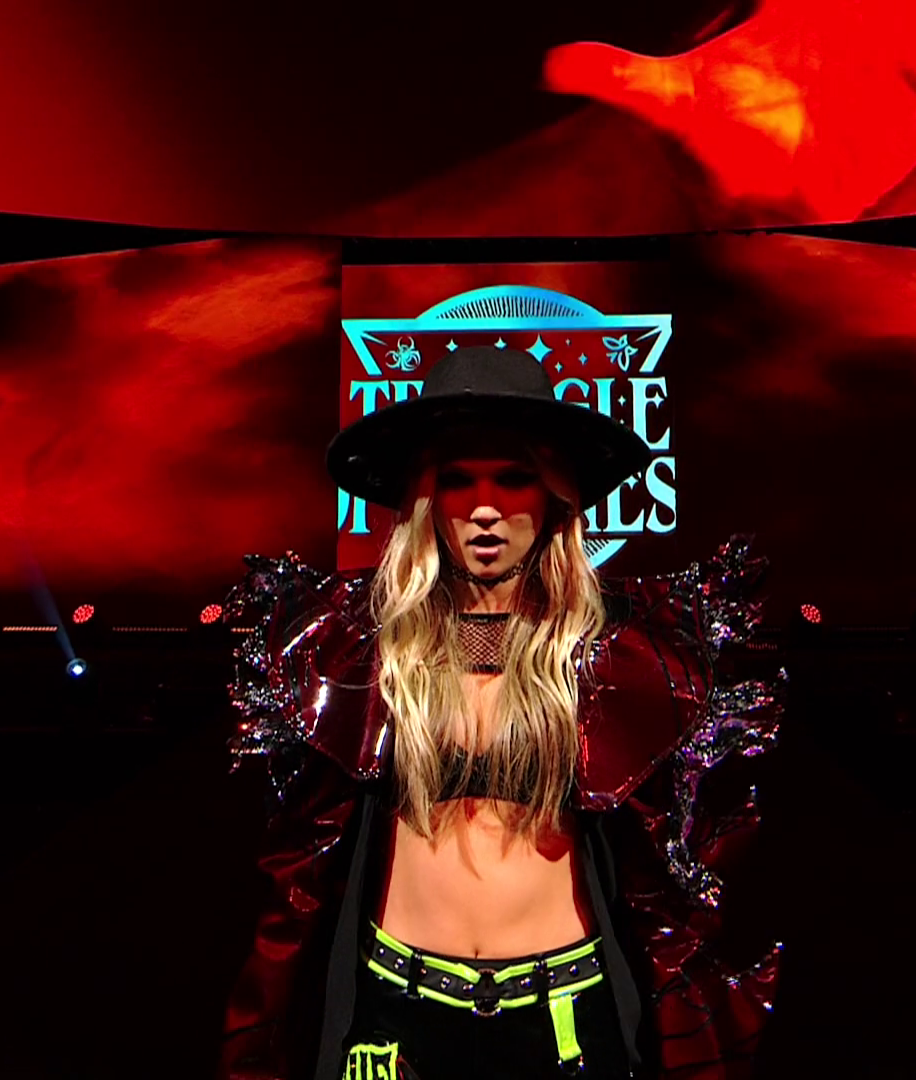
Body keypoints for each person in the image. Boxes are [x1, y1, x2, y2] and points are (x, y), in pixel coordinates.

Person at [219, 347, 782, 1079]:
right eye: (458, 480)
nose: (485, 509)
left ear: (554, 496)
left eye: (514, 478)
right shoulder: (359, 653)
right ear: (424, 498)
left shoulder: (618, 658)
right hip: (397, 1023)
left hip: (562, 1020)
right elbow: (297, 882)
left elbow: (667, 897)